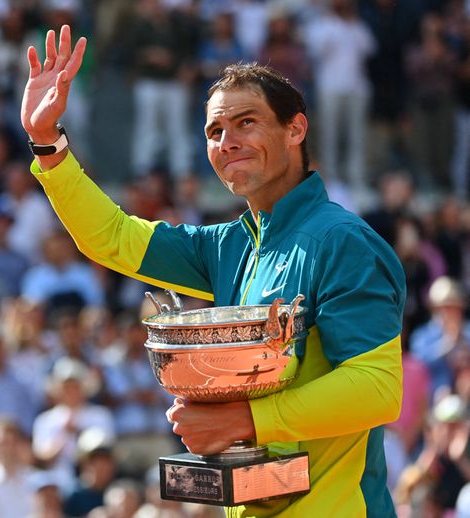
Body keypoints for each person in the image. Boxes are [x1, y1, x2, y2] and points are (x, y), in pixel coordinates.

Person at [21, 26, 406, 516]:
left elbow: (376, 388)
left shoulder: (342, 240)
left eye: (246, 123)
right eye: (214, 131)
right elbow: (112, 237)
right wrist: (47, 143)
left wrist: (245, 420)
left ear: (296, 130)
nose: (227, 141)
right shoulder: (230, 246)